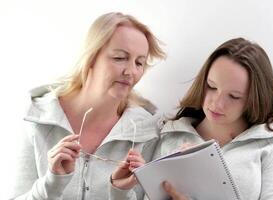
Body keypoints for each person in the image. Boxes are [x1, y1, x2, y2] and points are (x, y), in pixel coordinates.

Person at [10, 12, 165, 200]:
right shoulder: (38, 118)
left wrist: (120, 193)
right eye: (119, 58)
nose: (131, 71)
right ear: (91, 57)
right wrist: (51, 185)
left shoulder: (146, 132)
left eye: (139, 63)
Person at [157, 37, 273, 200]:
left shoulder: (272, 146)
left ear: (254, 100)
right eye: (211, 86)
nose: (217, 104)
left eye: (234, 96)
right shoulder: (169, 134)